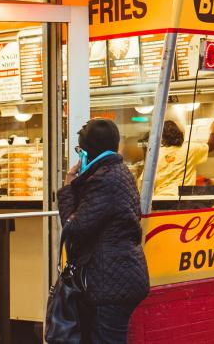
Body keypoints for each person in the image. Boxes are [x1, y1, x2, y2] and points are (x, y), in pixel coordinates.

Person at [57, 118, 149, 343]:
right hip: (118, 276)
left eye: (80, 151)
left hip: (110, 283)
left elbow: (75, 228)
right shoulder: (117, 172)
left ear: (87, 154)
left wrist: (69, 187)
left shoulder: (105, 180)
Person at [151, 119, 214, 198]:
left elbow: (144, 181)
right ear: (180, 133)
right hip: (183, 198)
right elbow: (210, 146)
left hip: (161, 198)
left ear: (162, 138)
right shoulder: (190, 148)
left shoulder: (157, 153)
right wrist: (213, 132)